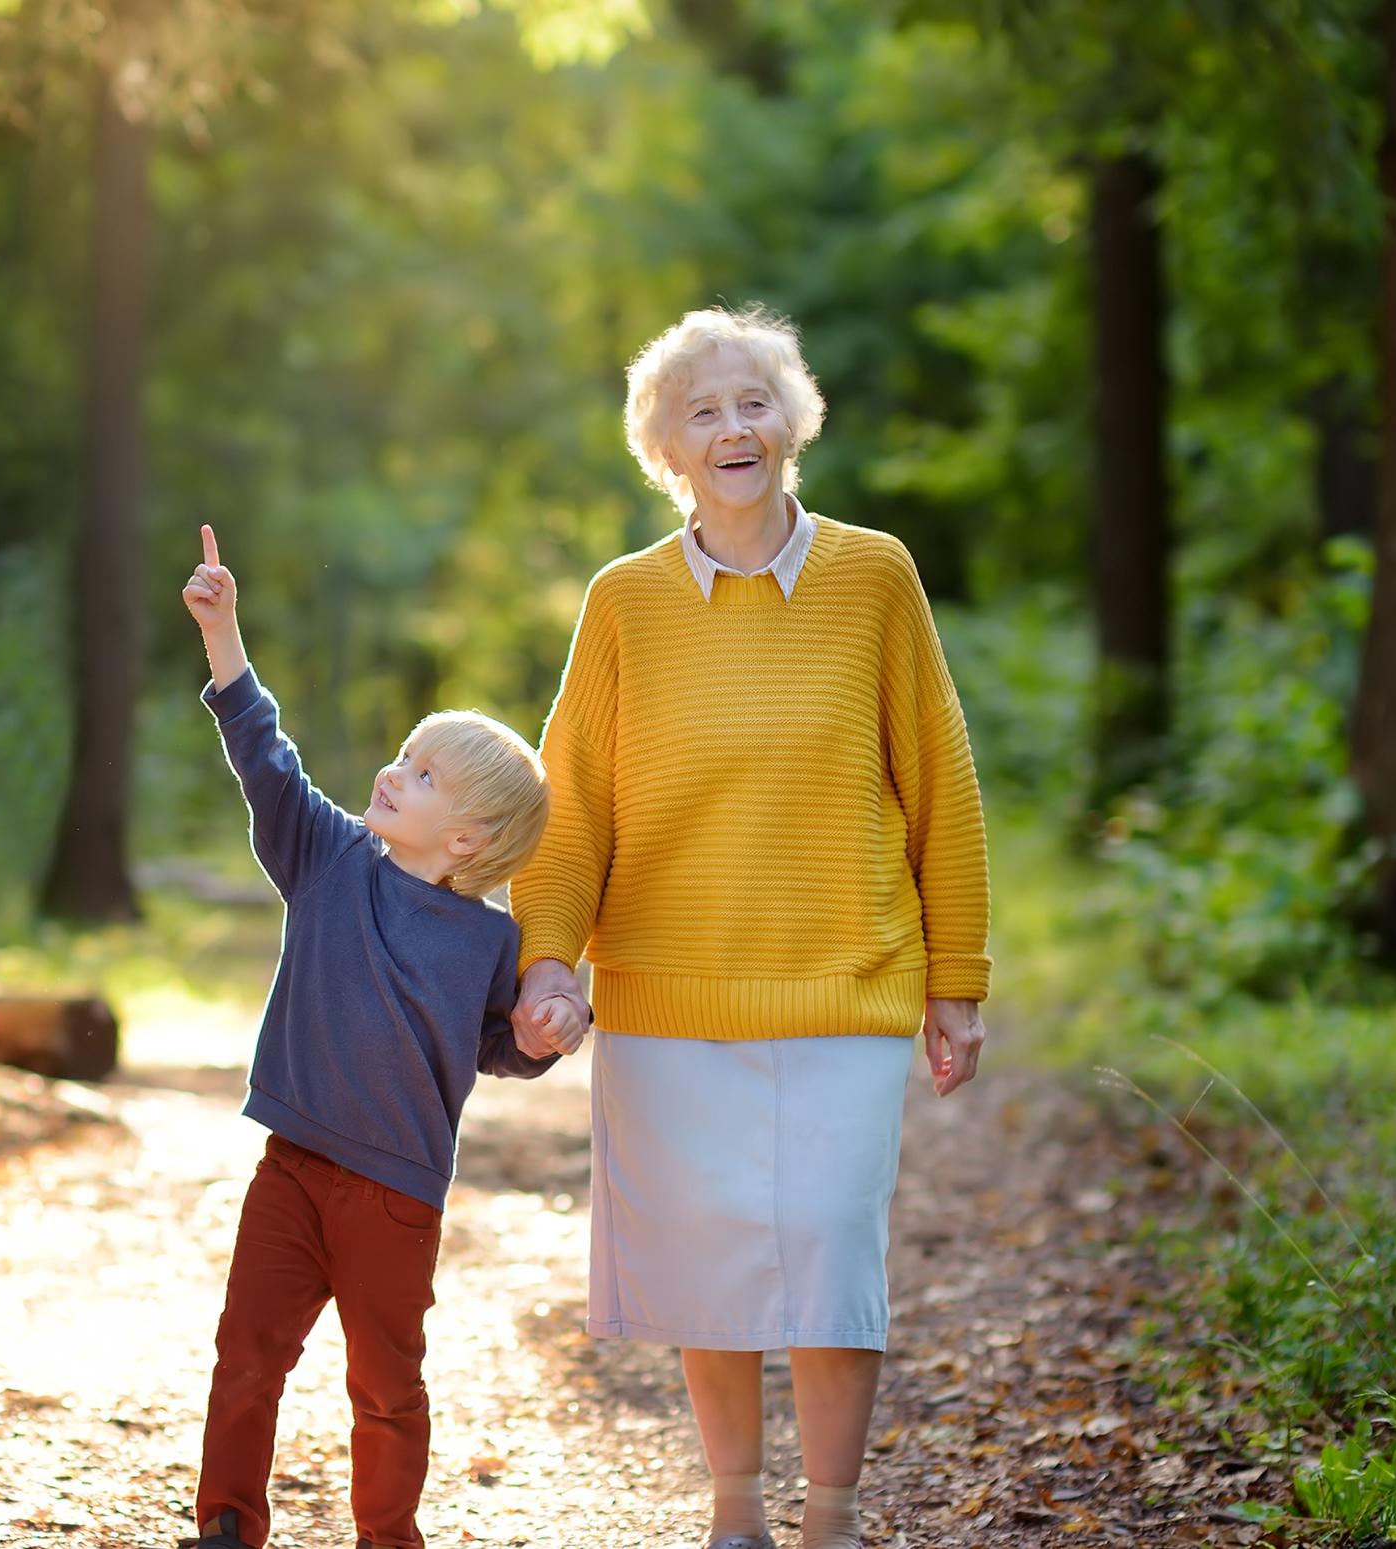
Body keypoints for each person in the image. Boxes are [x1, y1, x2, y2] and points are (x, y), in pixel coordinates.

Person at [507, 307, 993, 1549]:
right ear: (664, 448)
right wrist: (549, 957)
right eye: (702, 411)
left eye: (754, 401)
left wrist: (958, 976)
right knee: (708, 1271)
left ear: (795, 420)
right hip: (669, 997)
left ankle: (828, 1516)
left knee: (832, 1262)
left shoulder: (874, 575)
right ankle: (736, 1514)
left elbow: (939, 773)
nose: (733, 427)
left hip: (848, 983)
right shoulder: (624, 603)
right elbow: (576, 804)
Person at [179, 523, 564, 1549]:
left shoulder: (490, 939)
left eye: (426, 776)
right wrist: (225, 637)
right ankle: (227, 1519)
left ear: (468, 841)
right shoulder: (326, 855)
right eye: (403, 757)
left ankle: (388, 1534)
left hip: (395, 1194)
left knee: (386, 1382)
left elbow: (499, 1043)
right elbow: (265, 756)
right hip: (293, 1166)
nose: (396, 773)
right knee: (246, 1350)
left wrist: (541, 1030)